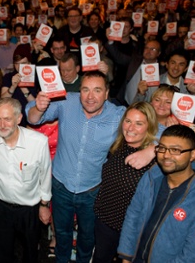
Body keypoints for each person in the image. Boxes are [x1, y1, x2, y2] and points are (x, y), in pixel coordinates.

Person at [26, 70, 156, 262]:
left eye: (97, 90)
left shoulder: (119, 114)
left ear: (106, 93)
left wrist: (153, 149)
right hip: (61, 185)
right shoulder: (65, 102)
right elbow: (32, 118)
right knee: (61, 234)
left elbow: (160, 129)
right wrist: (38, 107)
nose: (90, 96)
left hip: (93, 190)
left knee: (87, 237)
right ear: (79, 92)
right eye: (85, 90)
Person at [118, 125, 195, 262]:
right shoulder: (151, 177)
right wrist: (126, 257)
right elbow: (133, 216)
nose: (166, 155)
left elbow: (193, 253)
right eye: (162, 148)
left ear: (193, 154)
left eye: (175, 150)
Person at [0, 97, 52, 263]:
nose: (2, 124)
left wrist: (44, 205)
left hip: (29, 208)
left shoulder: (38, 142)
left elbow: (45, 175)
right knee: (3, 252)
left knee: (30, 251)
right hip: (0, 206)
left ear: (19, 119)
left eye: (7, 119)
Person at [93, 102, 159, 262]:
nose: (130, 128)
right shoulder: (118, 145)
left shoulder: (155, 158)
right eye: (128, 121)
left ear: (149, 127)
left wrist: (155, 150)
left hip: (132, 230)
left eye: (139, 123)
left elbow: (184, 152)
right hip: (105, 220)